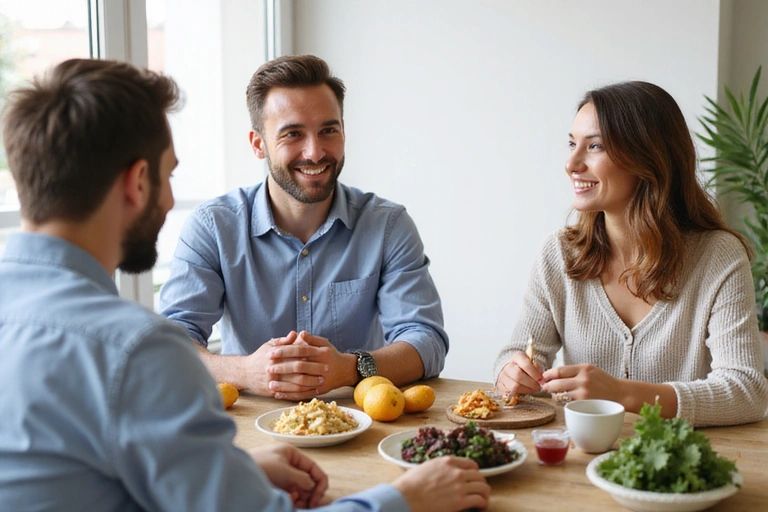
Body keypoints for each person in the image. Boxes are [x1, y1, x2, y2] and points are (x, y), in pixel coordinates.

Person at [0, 58, 490, 511]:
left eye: (328, 130)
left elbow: (96, 471)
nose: (171, 200)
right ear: (138, 181)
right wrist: (405, 501)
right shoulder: (138, 351)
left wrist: (235, 466)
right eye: (170, 174)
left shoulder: (385, 223)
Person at [158, 54, 448, 400]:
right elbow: (171, 344)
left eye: (329, 130)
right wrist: (246, 372)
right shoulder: (213, 227)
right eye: (293, 134)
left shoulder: (388, 225)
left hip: (361, 427)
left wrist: (350, 368)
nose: (314, 152)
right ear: (257, 144)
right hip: (250, 433)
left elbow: (426, 340)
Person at [494, 81, 768, 427]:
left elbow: (746, 392)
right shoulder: (559, 254)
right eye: (572, 143)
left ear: (648, 158)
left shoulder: (718, 257)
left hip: (678, 466)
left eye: (594, 146)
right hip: (578, 464)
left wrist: (623, 394)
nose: (571, 163)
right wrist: (511, 373)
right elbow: (513, 354)